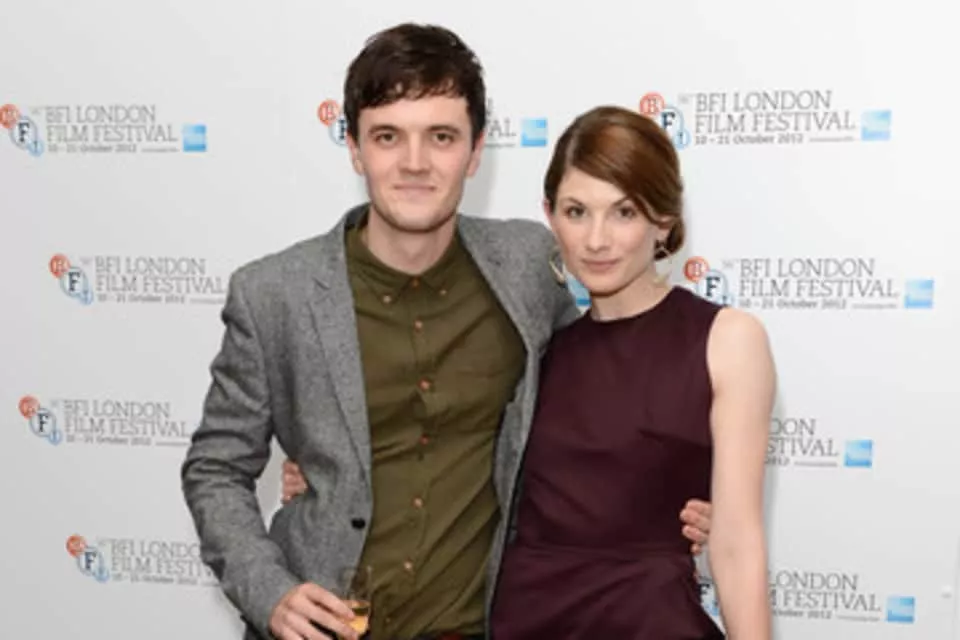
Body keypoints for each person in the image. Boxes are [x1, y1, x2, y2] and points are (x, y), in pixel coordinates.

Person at [181, 24, 714, 640]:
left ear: (476, 150)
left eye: (441, 136)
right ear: (354, 148)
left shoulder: (529, 265)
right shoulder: (275, 293)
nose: (415, 163)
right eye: (388, 136)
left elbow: (605, 392)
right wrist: (269, 593)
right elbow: (215, 467)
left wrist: (689, 495)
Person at [487, 106, 775, 638]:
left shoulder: (727, 340)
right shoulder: (535, 347)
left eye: (623, 212)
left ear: (663, 220)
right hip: (527, 620)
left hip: (651, 623)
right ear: (550, 216)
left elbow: (737, 544)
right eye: (576, 212)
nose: (596, 240)